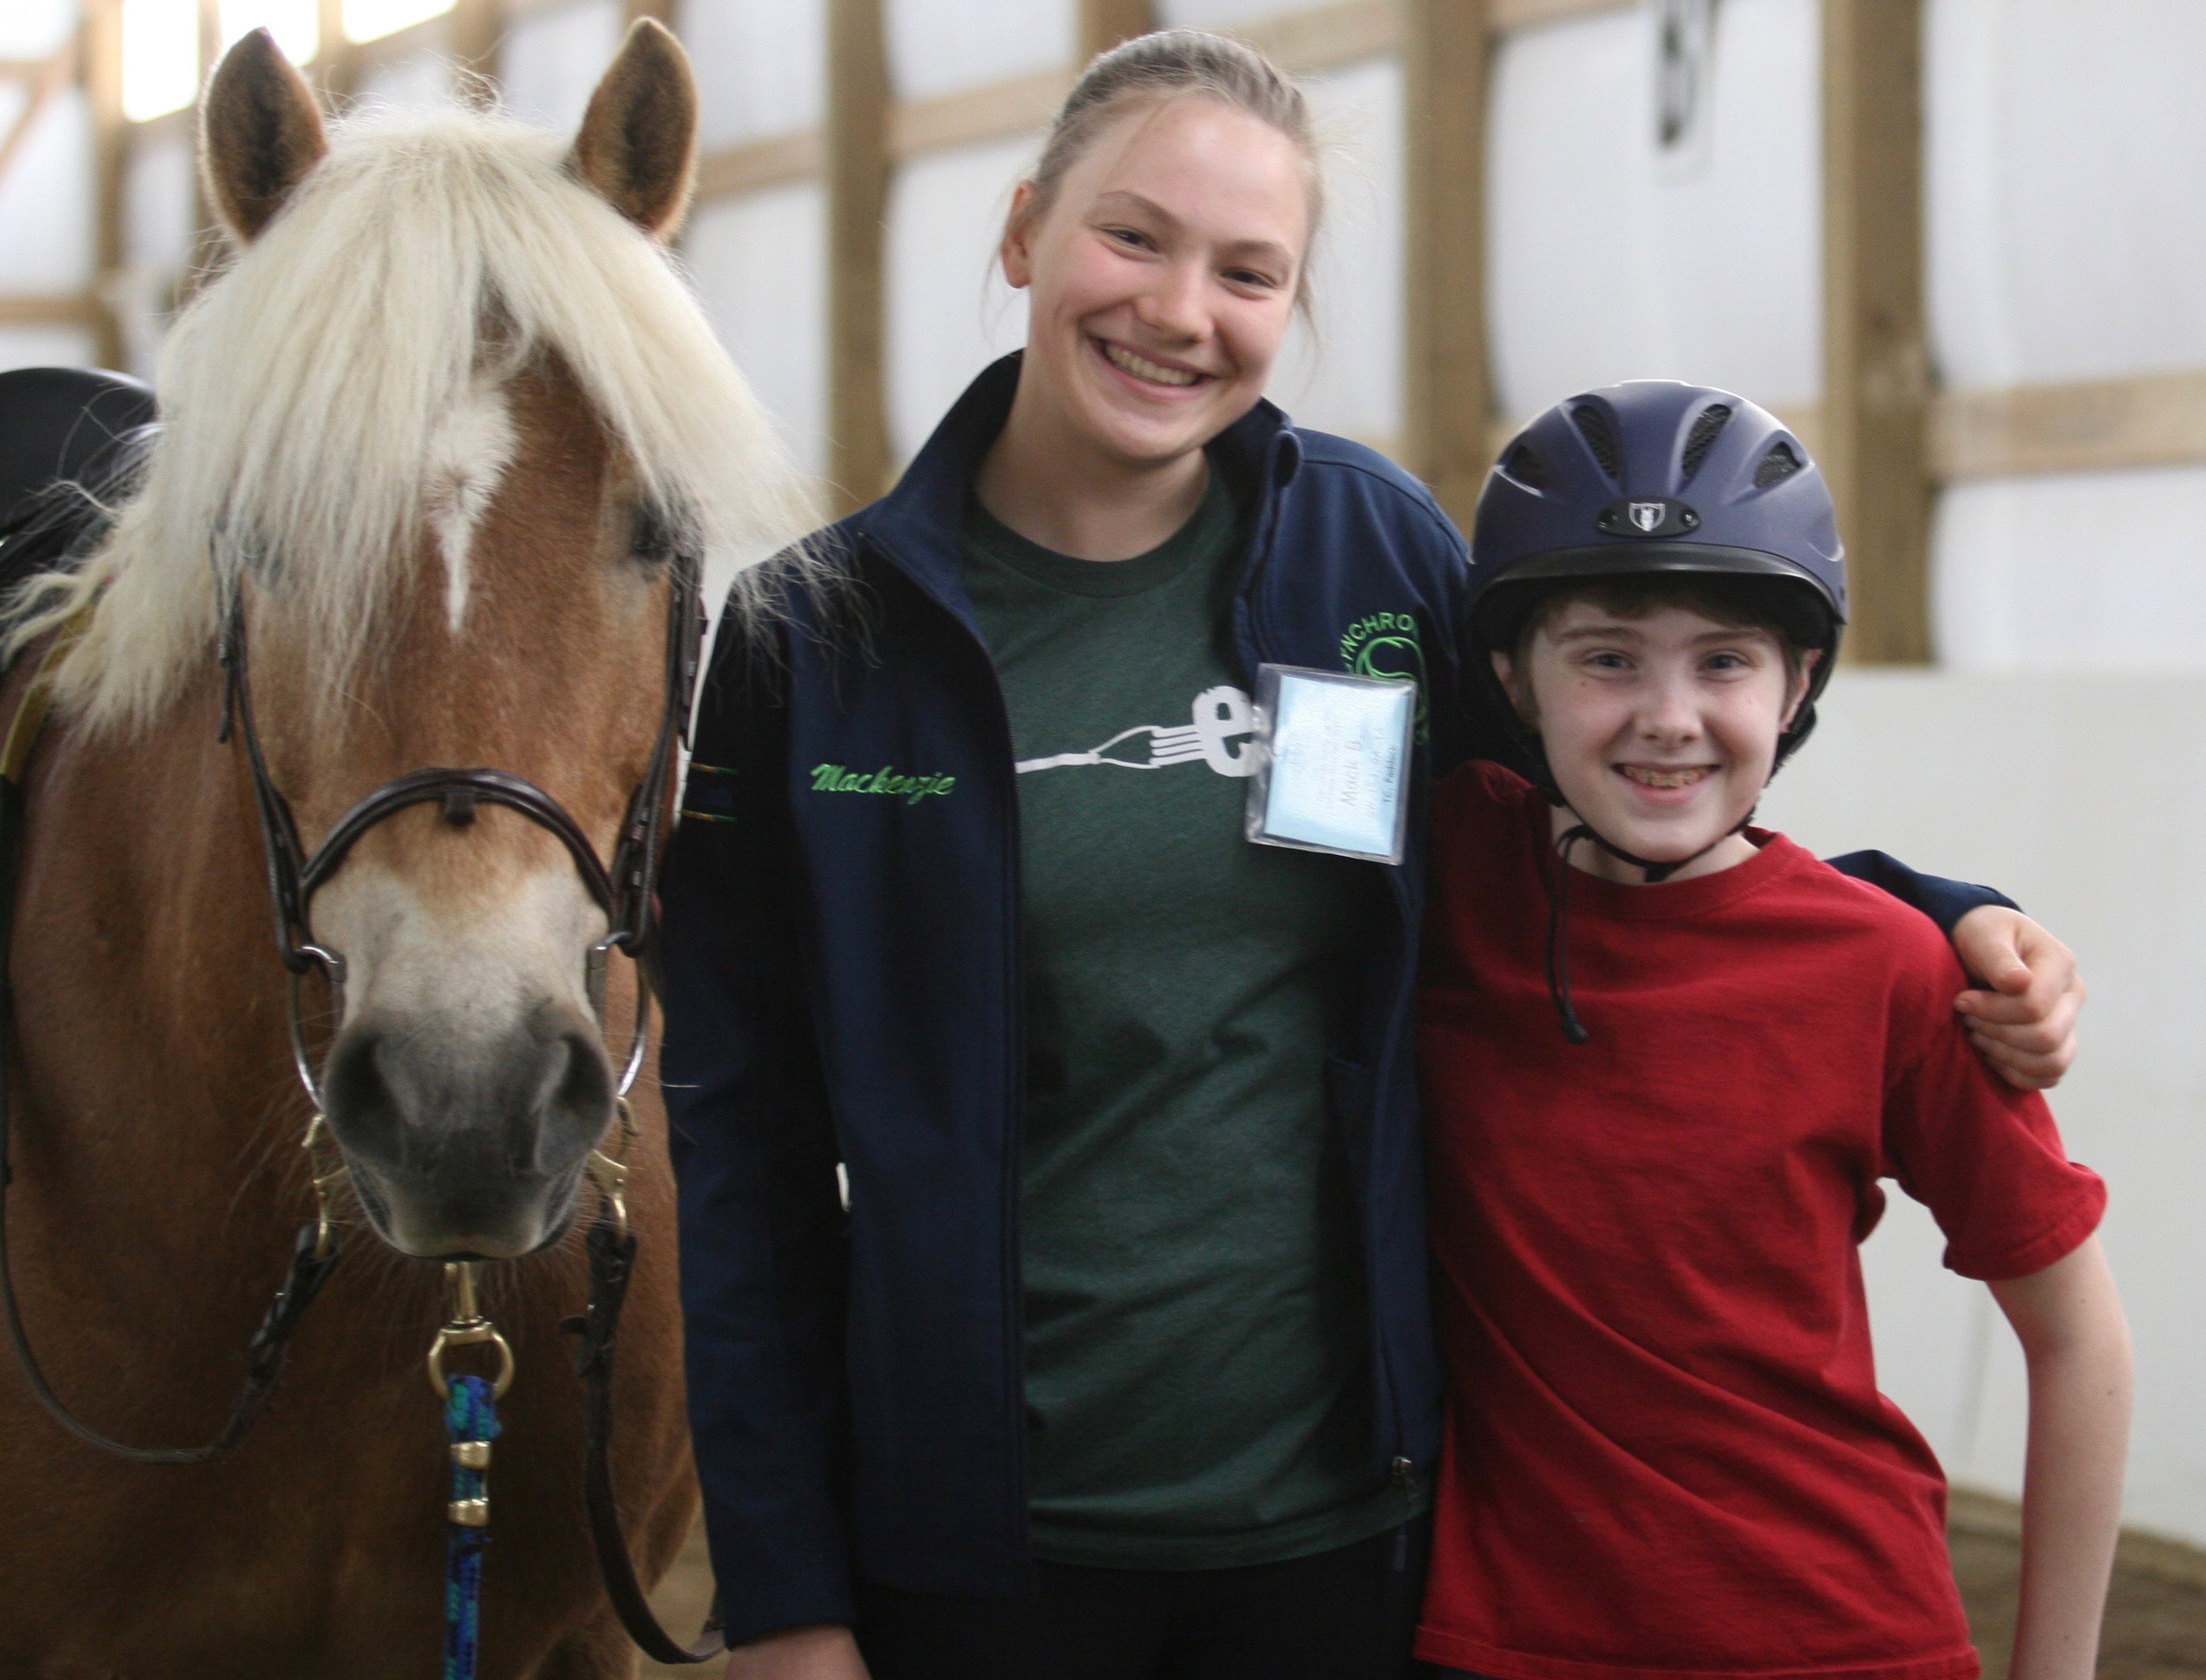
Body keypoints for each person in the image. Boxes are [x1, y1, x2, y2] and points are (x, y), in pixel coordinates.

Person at [657, 32, 2087, 1680]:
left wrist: (1931, 911)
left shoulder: (1374, 557)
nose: (1181, 311)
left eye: (1248, 270)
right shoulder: (812, 637)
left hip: (1360, 1541)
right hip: (972, 1548)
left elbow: (1612, 825)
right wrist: (781, 1593)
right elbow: (743, 1152)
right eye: (1133, 238)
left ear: (1290, 304)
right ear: (1023, 232)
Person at [1415, 381, 2132, 1680]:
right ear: (1514, 678)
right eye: (1608, 655)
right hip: (1507, 1641)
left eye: (1726, 659)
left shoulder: (1890, 966)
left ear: (1799, 681)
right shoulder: (1449, 878)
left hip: (1841, 1633)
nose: (1669, 715)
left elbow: (2078, 1333)